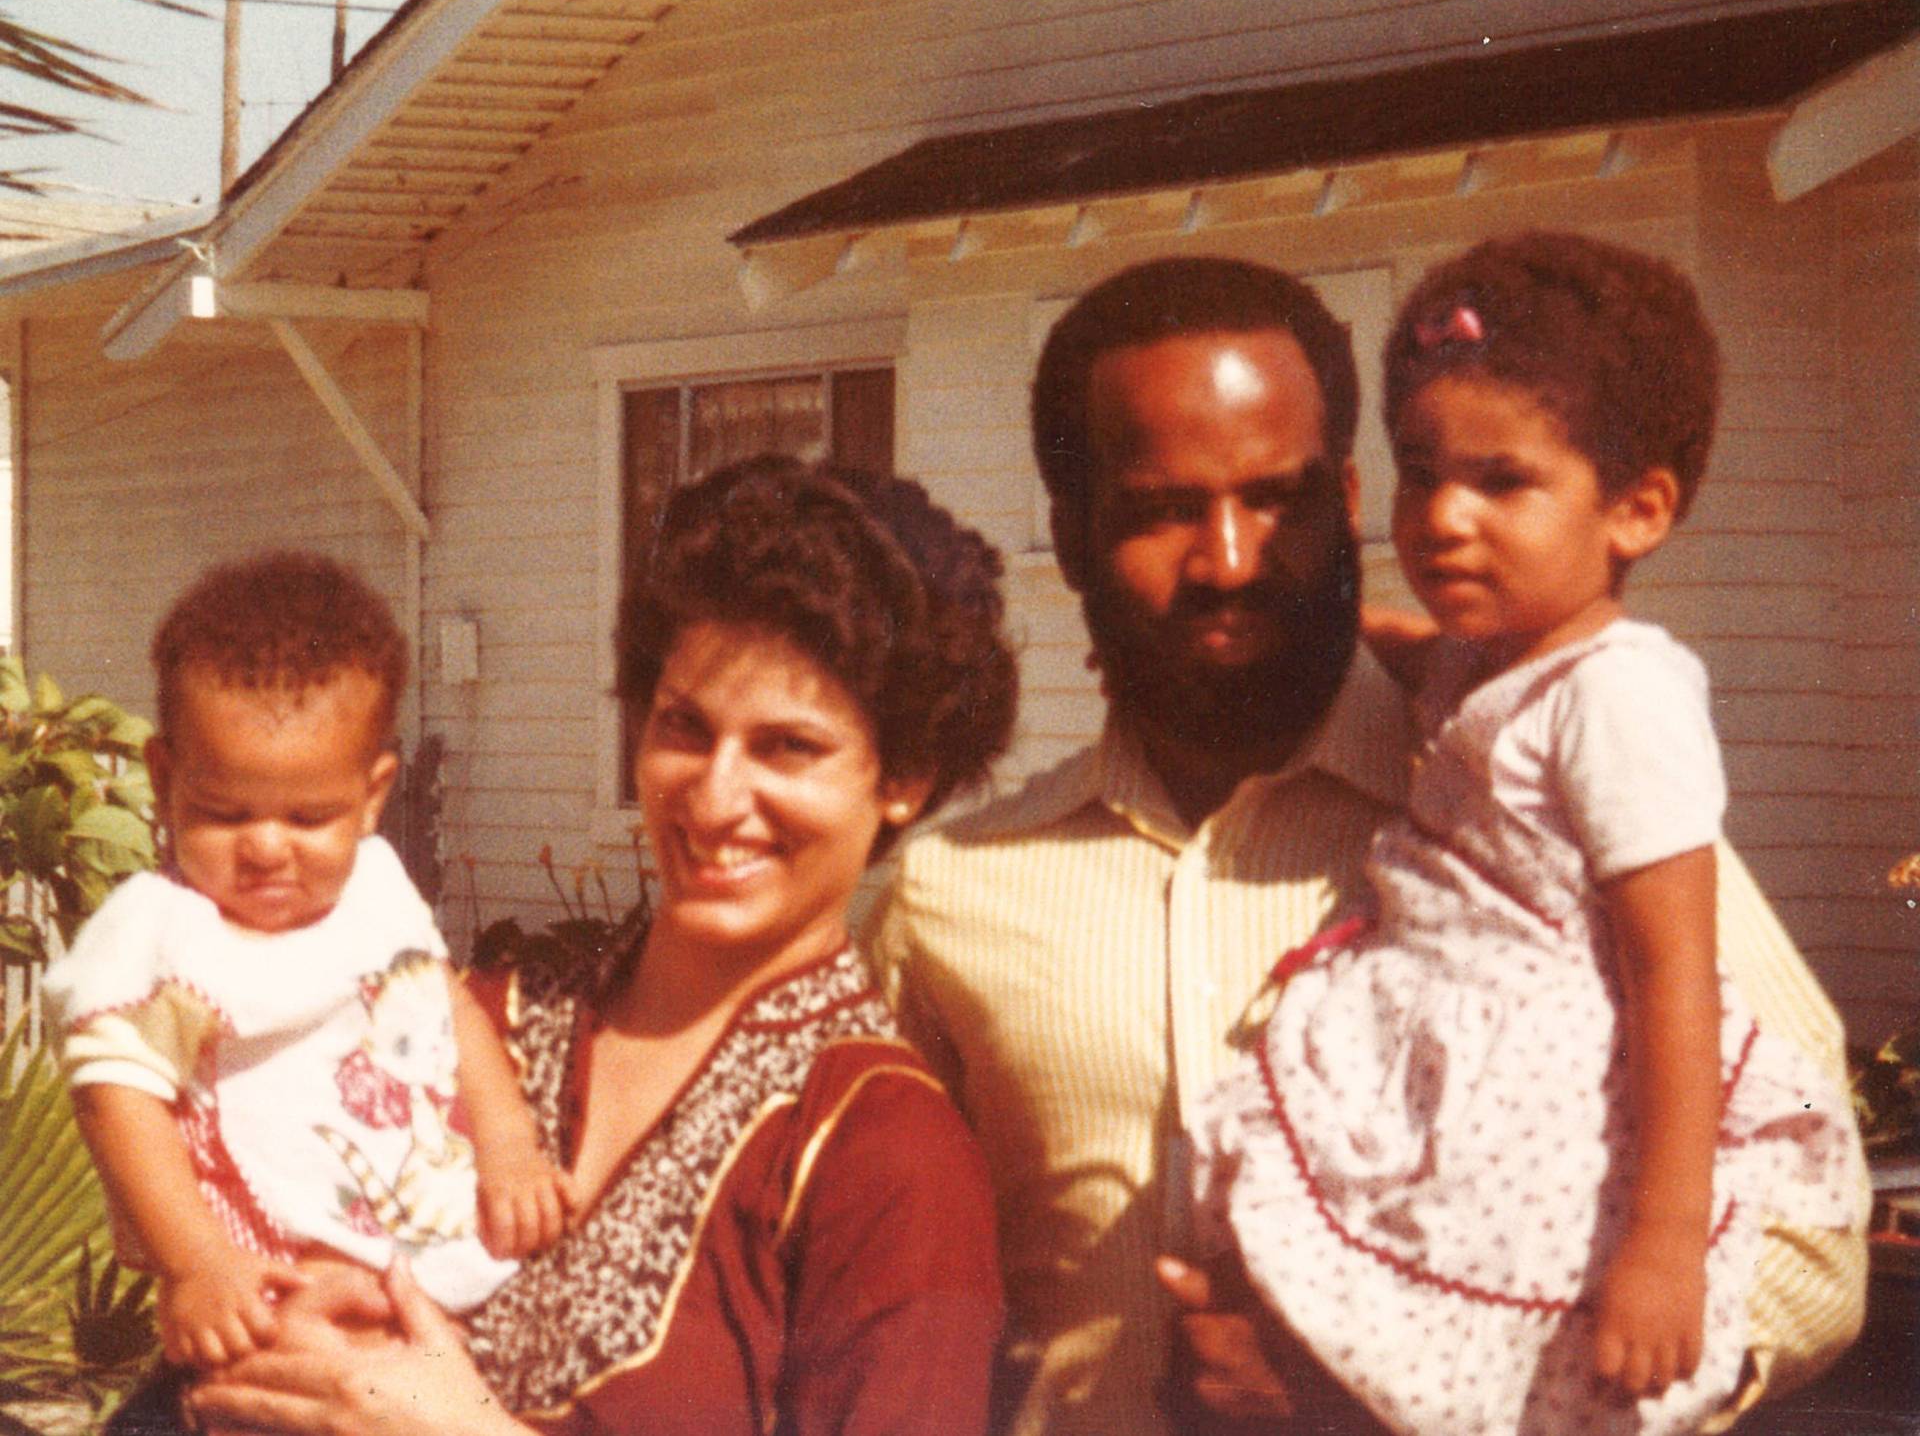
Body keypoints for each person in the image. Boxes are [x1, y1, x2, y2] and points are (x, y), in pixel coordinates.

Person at [865, 255, 1867, 1436]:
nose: (1230, 559)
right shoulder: (950, 898)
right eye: (1161, 509)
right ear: (1072, 538)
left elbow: (1817, 1249)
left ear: (1344, 501)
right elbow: (885, 1301)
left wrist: (1411, 1384)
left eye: (1275, 500)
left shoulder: (1530, 800)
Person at [1189, 231, 1863, 1435]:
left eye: (1502, 483)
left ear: (1637, 509)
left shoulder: (1622, 697)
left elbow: (1673, 971)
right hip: (1447, 1032)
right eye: (1420, 473)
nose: (1444, 517)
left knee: (1516, 1340)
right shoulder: (1490, 655)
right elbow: (1409, 651)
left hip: (1551, 1085)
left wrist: (1663, 1242)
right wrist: (1306, 618)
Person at [189, 456, 1015, 1436]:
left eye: (788, 747)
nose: (713, 797)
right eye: (684, 727)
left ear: (904, 779)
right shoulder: (476, 1021)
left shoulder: (884, 1160)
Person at [43, 551, 565, 1380]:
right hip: (263, 1299)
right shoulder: (163, 935)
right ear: (165, 779)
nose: (266, 848)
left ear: (371, 796)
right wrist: (196, 1264)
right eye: (222, 813)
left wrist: (508, 1144)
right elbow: (117, 1101)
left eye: (310, 815)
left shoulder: (378, 890)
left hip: (426, 1274)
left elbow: (445, 1007)